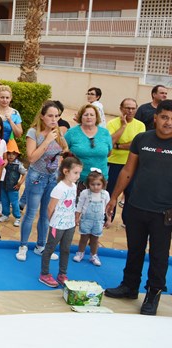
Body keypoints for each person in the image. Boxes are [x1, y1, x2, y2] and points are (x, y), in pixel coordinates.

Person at [104, 99, 172, 316]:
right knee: (134, 250)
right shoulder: (141, 139)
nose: (168, 122)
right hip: (136, 206)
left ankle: (153, 293)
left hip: (164, 213)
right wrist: (113, 197)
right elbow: (127, 170)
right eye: (164, 117)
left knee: (159, 256)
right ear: (155, 117)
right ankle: (129, 286)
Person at [16, 101, 68, 262]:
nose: (54, 119)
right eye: (50, 116)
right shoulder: (33, 133)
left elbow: (64, 150)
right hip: (36, 177)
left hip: (52, 178)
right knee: (31, 213)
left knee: (46, 215)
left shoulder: (57, 133)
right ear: (42, 116)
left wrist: (59, 162)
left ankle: (41, 246)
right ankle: (23, 246)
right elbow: (31, 158)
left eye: (57, 116)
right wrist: (46, 142)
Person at [38, 156, 82, 288]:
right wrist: (53, 222)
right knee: (50, 248)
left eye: (79, 173)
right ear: (65, 171)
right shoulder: (59, 188)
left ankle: (62, 273)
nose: (78, 176)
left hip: (69, 225)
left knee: (66, 249)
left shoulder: (74, 186)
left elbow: (72, 204)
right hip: (57, 225)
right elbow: (50, 207)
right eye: (75, 173)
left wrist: (73, 219)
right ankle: (44, 273)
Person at [106, 98, 144, 217]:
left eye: (133, 108)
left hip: (132, 164)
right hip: (113, 162)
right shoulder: (112, 123)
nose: (130, 111)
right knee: (111, 191)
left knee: (130, 193)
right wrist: (123, 127)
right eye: (127, 108)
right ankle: (107, 217)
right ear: (121, 109)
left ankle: (127, 220)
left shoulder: (140, 125)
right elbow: (109, 142)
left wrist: (118, 145)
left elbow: (136, 145)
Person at [65, 104, 112, 187]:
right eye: (86, 115)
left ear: (96, 117)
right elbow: (63, 151)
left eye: (92, 115)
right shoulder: (71, 133)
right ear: (81, 117)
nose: (89, 117)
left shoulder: (105, 133)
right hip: (77, 179)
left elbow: (109, 153)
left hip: (99, 181)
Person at [73, 169, 110, 266]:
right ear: (88, 184)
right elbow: (79, 206)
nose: (95, 187)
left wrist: (109, 219)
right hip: (86, 220)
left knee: (95, 239)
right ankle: (80, 253)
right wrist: (77, 218)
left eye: (98, 184)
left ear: (103, 184)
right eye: (93, 184)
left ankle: (94, 255)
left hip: (98, 221)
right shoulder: (85, 193)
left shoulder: (105, 194)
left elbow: (108, 208)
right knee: (84, 238)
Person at [0, 139, 26, 227]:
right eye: (9, 153)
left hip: (13, 187)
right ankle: (5, 214)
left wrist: (19, 183)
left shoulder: (18, 165)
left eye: (13, 154)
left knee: (14, 203)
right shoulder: (4, 163)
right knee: (4, 201)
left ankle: (17, 217)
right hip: (3, 186)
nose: (11, 156)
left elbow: (25, 173)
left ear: (17, 154)